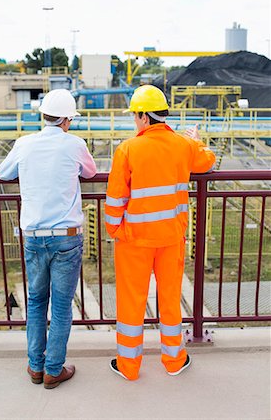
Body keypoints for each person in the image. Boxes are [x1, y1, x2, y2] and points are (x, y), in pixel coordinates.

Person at [105, 85, 215, 381]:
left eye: (135, 116)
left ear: (143, 116)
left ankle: (129, 367)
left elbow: (115, 199)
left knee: (131, 301)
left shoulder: (127, 149)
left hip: (134, 240)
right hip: (170, 238)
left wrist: (114, 229)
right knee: (169, 299)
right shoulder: (183, 145)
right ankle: (174, 360)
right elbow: (208, 160)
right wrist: (198, 140)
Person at [0, 89, 96, 389]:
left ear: (43, 116)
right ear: (67, 120)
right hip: (66, 238)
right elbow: (90, 173)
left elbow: (3, 173)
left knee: (37, 301)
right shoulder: (75, 144)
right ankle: (54, 369)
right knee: (62, 306)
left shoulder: (25, 144)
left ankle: (35, 366)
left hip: (34, 237)